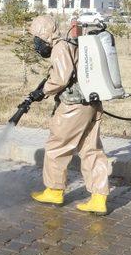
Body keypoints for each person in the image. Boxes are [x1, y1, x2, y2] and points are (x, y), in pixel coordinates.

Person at [28, 15, 111, 215]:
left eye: (37, 38)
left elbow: (61, 78)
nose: (36, 43)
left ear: (44, 34)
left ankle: (54, 191)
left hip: (73, 107)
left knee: (57, 147)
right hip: (92, 103)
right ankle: (99, 198)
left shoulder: (60, 47)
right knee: (91, 149)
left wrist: (43, 91)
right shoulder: (73, 43)